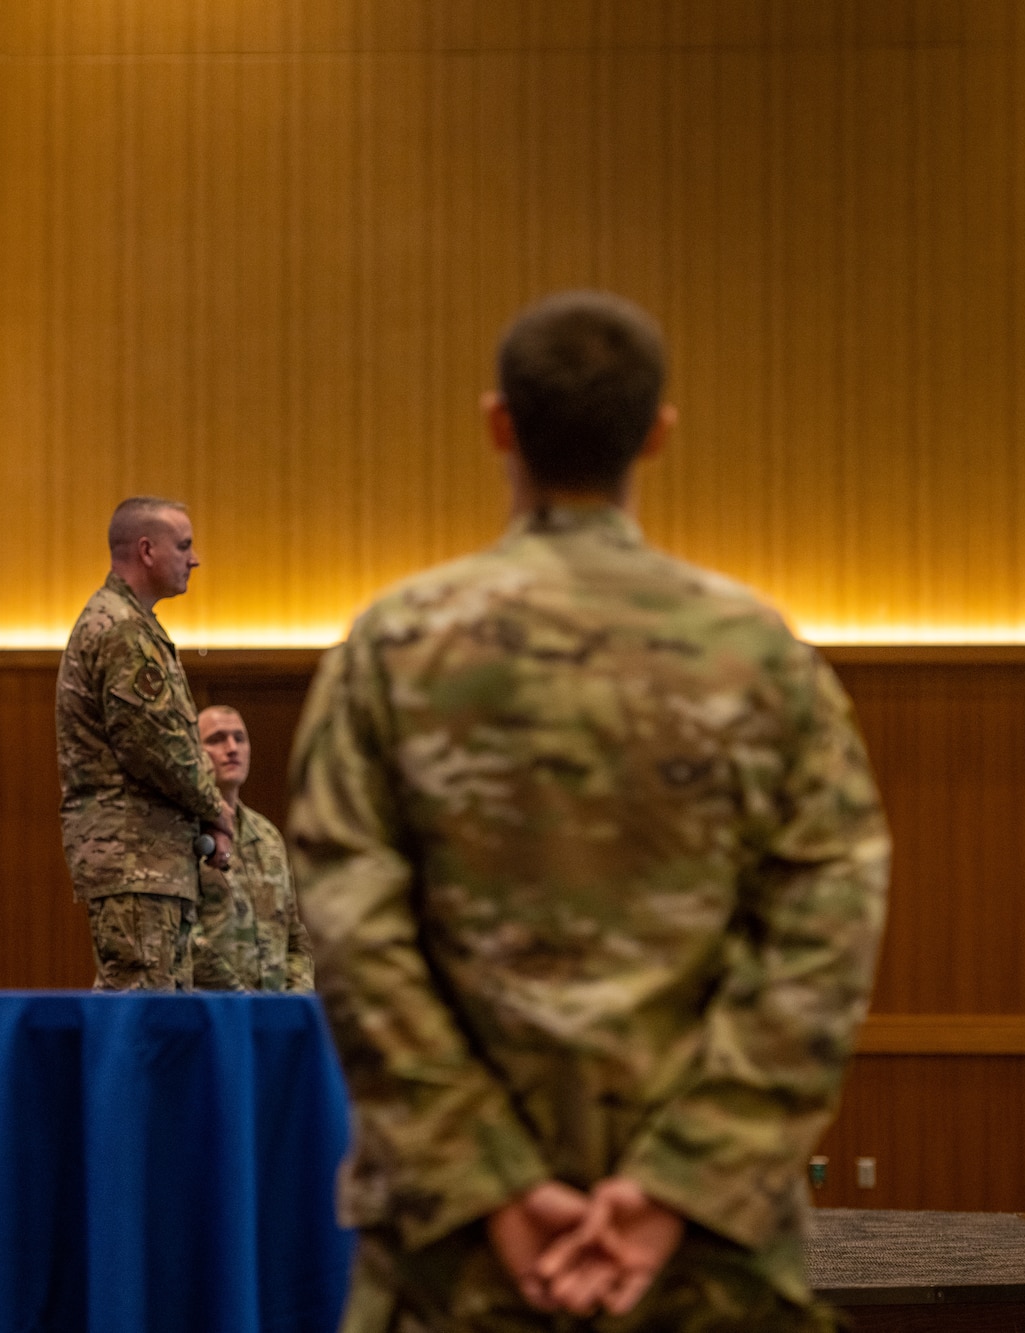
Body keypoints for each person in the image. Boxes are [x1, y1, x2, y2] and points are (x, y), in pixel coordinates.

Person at [287, 290, 890, 1332]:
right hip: (702, 1265)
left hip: (458, 1262)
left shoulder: (394, 646)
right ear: (656, 434)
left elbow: (350, 934)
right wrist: (673, 1187)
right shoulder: (756, 655)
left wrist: (494, 1186)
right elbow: (823, 937)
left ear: (497, 424)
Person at [56, 497, 234, 990]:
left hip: (150, 860)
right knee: (140, 1020)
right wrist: (215, 808)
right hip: (135, 858)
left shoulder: (133, 625)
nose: (193, 559)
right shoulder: (122, 630)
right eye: (184, 545)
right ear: (147, 550)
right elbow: (155, 748)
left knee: (160, 1017)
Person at [192, 705, 313, 993]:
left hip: (275, 1017)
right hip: (213, 1012)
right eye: (217, 739)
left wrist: (294, 998)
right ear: (193, 754)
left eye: (239, 738)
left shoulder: (268, 835)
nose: (231, 748)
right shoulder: (181, 833)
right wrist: (246, 1003)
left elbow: (294, 934)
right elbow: (182, 938)